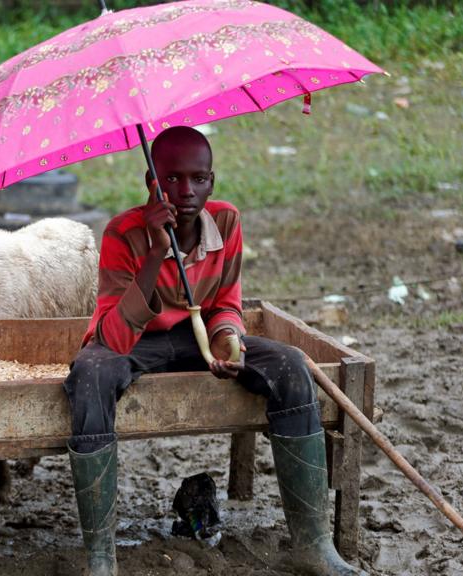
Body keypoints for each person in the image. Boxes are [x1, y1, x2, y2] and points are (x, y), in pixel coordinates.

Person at [62, 126, 365, 576]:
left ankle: (313, 545)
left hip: (194, 335)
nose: (186, 191)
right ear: (152, 181)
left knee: (290, 365)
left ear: (212, 181)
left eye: (198, 179)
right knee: (89, 376)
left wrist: (228, 340)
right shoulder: (122, 233)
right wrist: (156, 254)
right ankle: (101, 559)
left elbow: (226, 304)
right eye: (172, 179)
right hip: (133, 342)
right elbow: (114, 338)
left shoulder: (226, 221)